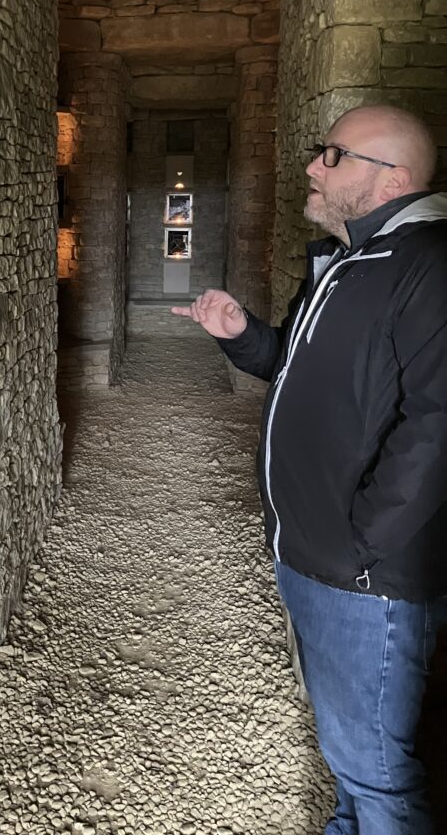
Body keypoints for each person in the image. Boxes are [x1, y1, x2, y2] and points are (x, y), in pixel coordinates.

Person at [174, 104, 447, 835]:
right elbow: (292, 367)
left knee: (378, 773)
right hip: (317, 555)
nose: (312, 166)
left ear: (393, 177)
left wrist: (360, 544)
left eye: (333, 155)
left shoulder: (428, 264)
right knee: (350, 752)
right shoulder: (352, 260)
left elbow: (437, 424)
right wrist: (242, 337)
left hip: (363, 576)